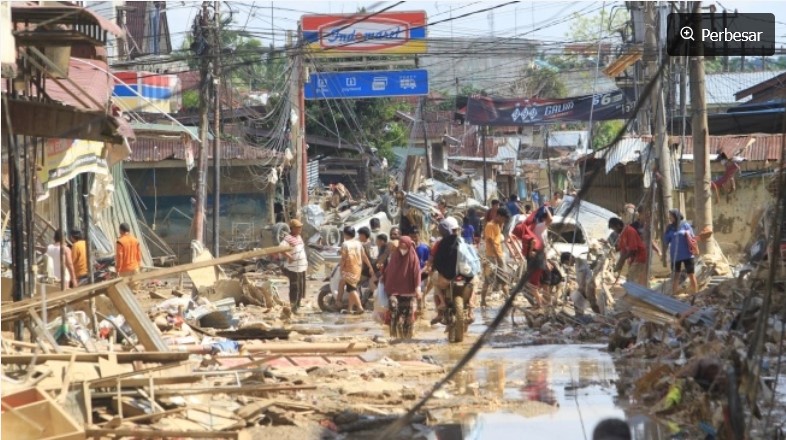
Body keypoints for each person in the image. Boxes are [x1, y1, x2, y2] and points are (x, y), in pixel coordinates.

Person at [430, 217, 474, 325]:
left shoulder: (439, 244)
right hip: (464, 276)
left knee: (434, 281)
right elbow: (473, 260)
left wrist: (433, 268)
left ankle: (441, 309)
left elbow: (434, 260)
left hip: (445, 277)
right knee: (474, 283)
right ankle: (471, 310)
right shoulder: (464, 242)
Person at [383, 236, 422, 327]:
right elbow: (389, 271)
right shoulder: (395, 256)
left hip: (410, 291)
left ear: (409, 246)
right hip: (394, 290)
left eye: (405, 247)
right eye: (401, 247)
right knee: (392, 306)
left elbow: (417, 273)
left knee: (411, 310)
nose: (403, 250)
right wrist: (383, 276)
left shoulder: (413, 257)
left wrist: (418, 288)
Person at [663, 209, 698, 295]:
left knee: (691, 274)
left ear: (676, 216)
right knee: (676, 275)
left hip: (687, 255)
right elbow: (666, 241)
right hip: (675, 256)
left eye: (671, 216)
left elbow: (692, 238)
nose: (669, 218)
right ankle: (674, 293)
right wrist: (666, 231)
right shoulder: (670, 228)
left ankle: (695, 293)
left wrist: (686, 233)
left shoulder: (685, 225)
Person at [480, 207, 510, 307]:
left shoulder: (498, 224)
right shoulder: (490, 225)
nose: (504, 221)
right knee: (488, 281)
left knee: (504, 279)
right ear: (499, 216)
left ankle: (508, 300)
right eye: (503, 218)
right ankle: (482, 301)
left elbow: (498, 237)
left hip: (500, 255)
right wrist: (497, 257)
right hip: (492, 257)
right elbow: (491, 242)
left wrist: (501, 223)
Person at [338, 226, 370, 314]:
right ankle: (349, 309)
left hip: (349, 269)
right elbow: (364, 256)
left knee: (351, 289)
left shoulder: (345, 244)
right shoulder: (358, 243)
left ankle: (359, 307)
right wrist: (370, 266)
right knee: (351, 288)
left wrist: (341, 269)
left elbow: (343, 258)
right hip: (357, 269)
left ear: (345, 234)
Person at [608, 217, 648, 286]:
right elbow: (622, 250)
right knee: (632, 277)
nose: (614, 231)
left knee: (632, 277)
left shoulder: (630, 231)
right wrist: (619, 263)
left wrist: (622, 261)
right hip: (633, 258)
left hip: (639, 257)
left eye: (614, 228)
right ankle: (633, 293)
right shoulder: (622, 234)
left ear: (618, 225)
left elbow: (633, 250)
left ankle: (633, 294)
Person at [279, 219, 308, 314]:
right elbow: (281, 249)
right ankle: (293, 307)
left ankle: (298, 305)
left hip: (301, 267)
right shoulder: (288, 238)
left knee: (301, 286)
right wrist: (289, 256)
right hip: (293, 268)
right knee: (295, 287)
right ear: (292, 228)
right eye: (298, 227)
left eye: (300, 227)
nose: (300, 229)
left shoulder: (299, 237)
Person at [116, 223, 142, 290]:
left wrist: (117, 269)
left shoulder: (120, 242)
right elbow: (139, 255)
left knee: (126, 292)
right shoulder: (136, 240)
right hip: (135, 268)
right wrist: (138, 266)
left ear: (121, 230)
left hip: (125, 270)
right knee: (135, 291)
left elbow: (119, 257)